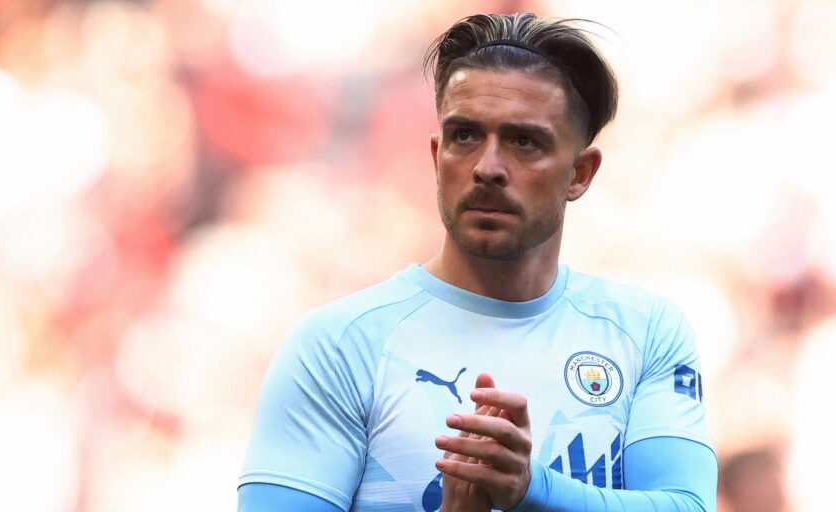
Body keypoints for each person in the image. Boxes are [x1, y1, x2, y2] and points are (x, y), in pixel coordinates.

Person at [238, 13, 717, 512]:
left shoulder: (644, 331)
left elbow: (687, 505)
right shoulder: (338, 346)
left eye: (524, 141)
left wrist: (533, 488)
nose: (487, 168)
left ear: (580, 173)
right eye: (465, 135)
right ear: (436, 155)